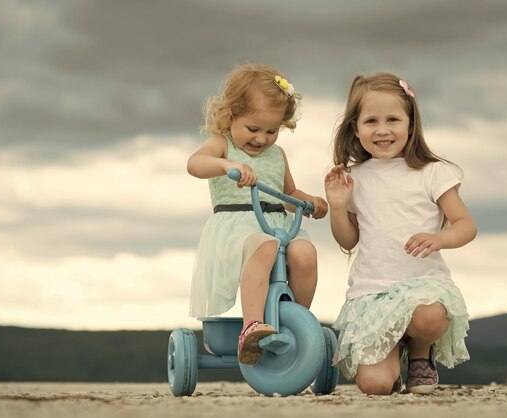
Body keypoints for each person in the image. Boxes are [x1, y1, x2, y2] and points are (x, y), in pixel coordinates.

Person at [324, 72, 477, 395]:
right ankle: (392, 358)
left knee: (429, 317)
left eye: (393, 119)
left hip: (422, 289)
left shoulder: (433, 173)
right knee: (375, 386)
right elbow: (348, 240)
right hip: (374, 295)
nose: (382, 130)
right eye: (371, 121)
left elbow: (466, 225)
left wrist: (439, 238)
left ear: (411, 123)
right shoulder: (355, 178)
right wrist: (338, 207)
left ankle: (420, 353)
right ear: (356, 128)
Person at [187, 63, 328, 365]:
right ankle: (251, 327)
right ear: (230, 116)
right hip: (238, 228)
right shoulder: (222, 145)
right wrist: (226, 166)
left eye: (271, 131)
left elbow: (289, 196)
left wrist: (310, 202)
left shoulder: (278, 155)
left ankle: (297, 323)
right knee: (264, 246)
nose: (261, 139)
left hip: (278, 224)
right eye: (253, 129)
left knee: (305, 253)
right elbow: (195, 164)